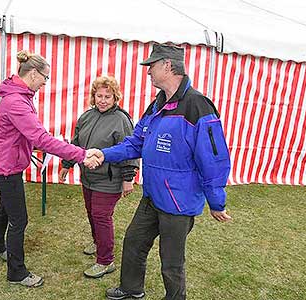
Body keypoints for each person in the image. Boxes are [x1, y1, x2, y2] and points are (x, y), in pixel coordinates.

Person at [88, 43, 232, 300]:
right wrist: (104, 153)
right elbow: (136, 142)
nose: (147, 71)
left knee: (171, 261)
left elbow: (213, 158)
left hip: (178, 202)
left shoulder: (198, 106)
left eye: (151, 66)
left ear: (168, 65)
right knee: (133, 242)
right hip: (153, 196)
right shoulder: (158, 104)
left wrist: (216, 201)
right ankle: (132, 289)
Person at [0, 50, 98, 288]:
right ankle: (16, 272)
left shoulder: (18, 95)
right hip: (6, 166)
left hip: (3, 162)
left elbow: (32, 135)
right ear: (34, 74)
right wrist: (80, 155)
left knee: (5, 205)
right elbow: (40, 139)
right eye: (45, 77)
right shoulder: (17, 101)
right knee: (19, 219)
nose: (46, 83)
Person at [59, 76, 139, 279]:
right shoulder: (86, 116)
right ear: (93, 97)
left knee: (102, 216)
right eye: (99, 96)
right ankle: (98, 242)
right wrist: (67, 164)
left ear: (115, 98)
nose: (103, 100)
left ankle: (106, 260)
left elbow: (129, 149)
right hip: (88, 177)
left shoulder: (121, 119)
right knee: (91, 212)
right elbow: (76, 143)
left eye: (108, 96)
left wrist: (128, 178)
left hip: (109, 180)